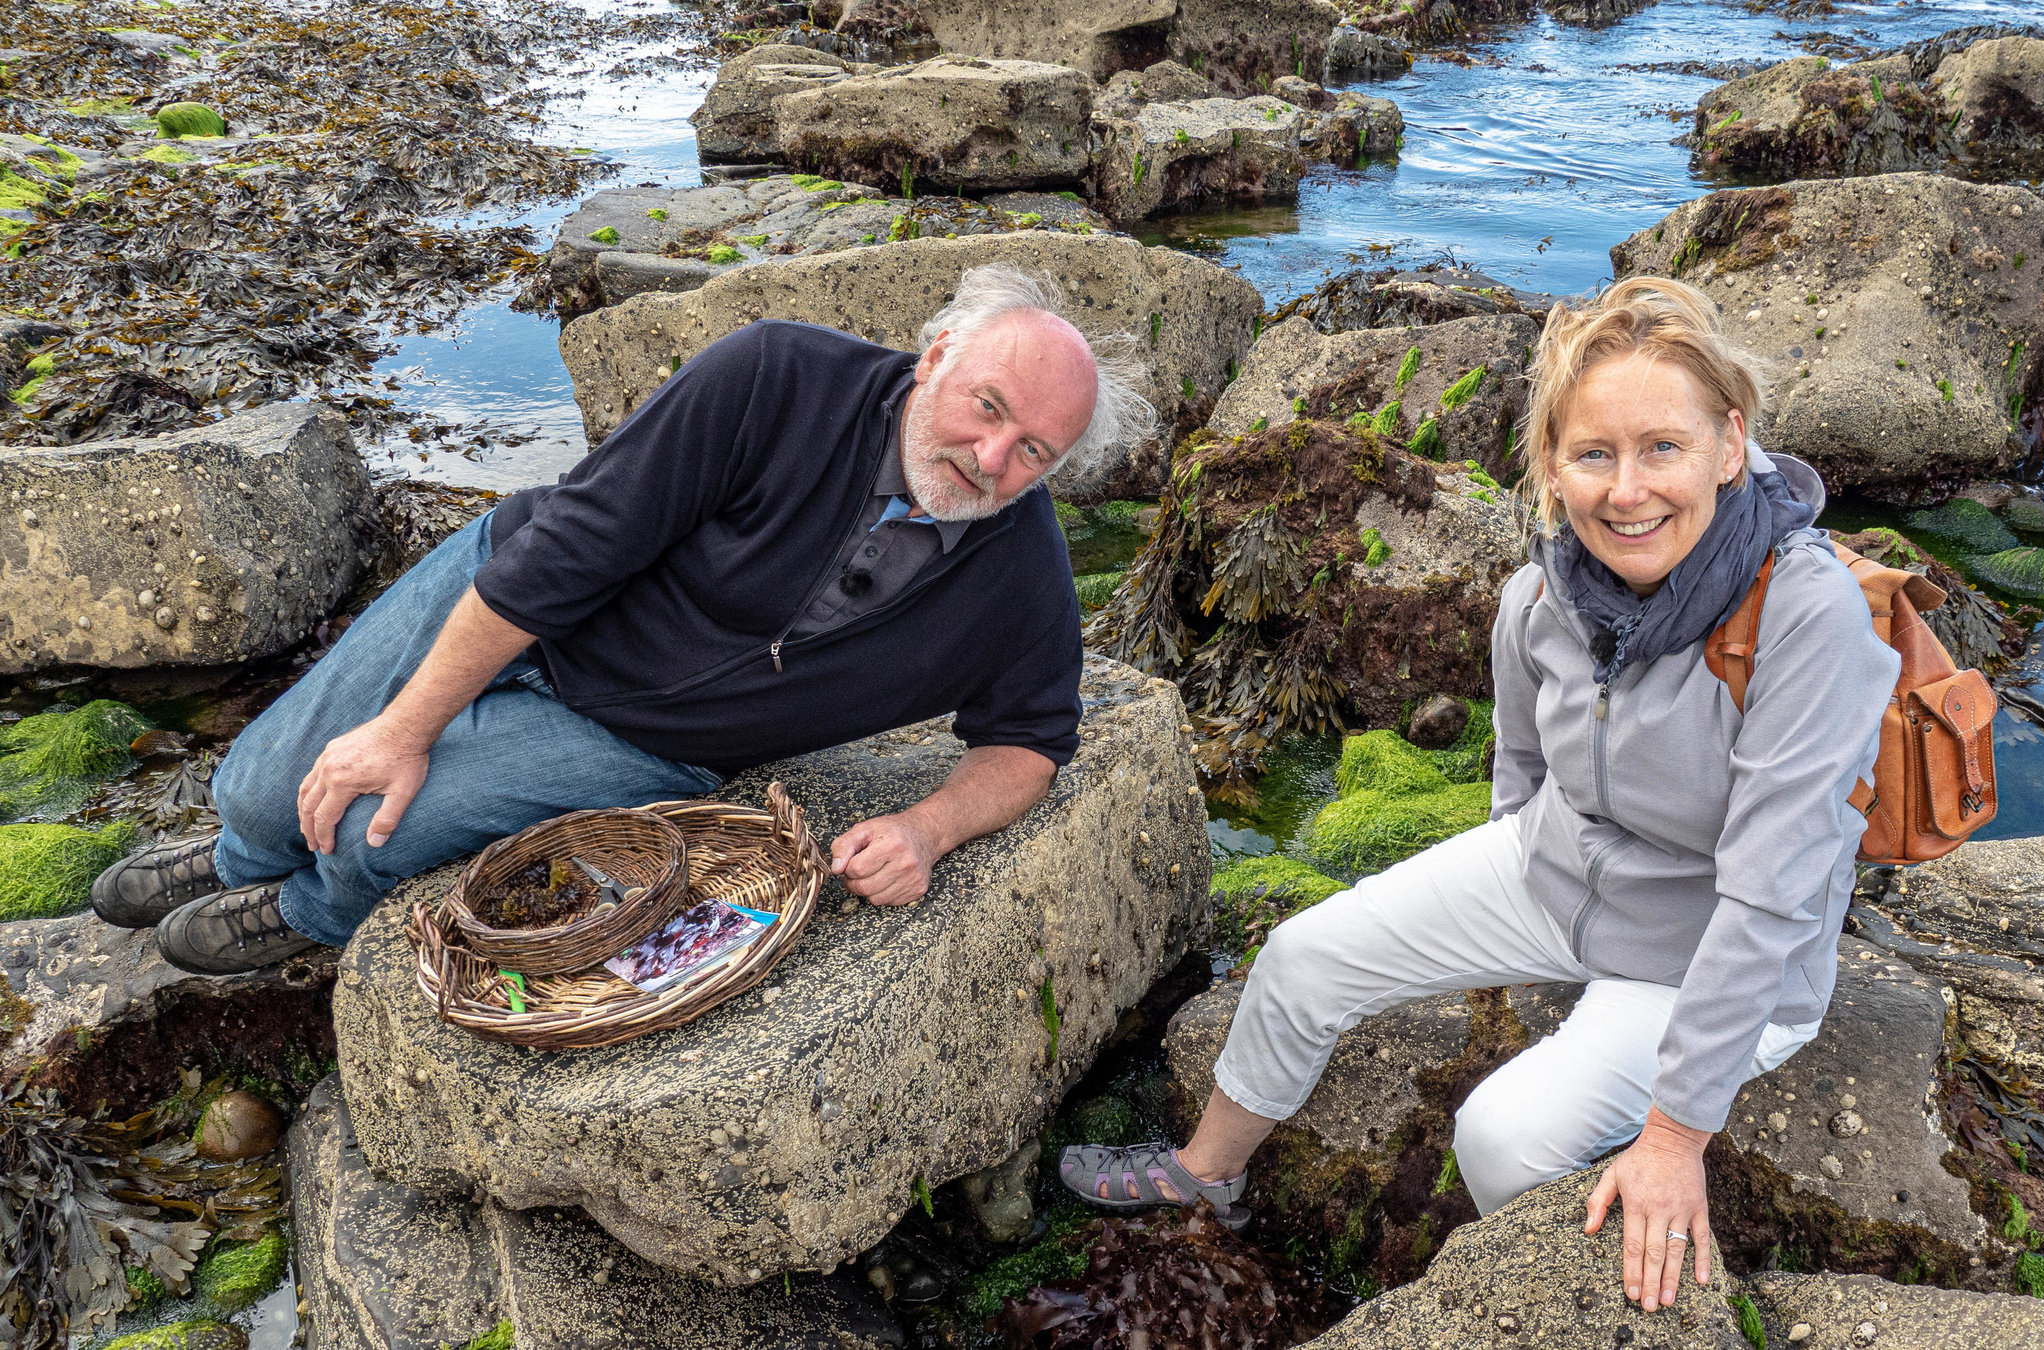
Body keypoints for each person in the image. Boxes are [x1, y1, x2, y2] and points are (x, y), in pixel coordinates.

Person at [1057, 276, 1897, 1314]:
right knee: (1300, 957)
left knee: (1500, 1137)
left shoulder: (1808, 616)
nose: (1627, 490)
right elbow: (1523, 765)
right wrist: (1513, 898)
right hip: (1558, 872)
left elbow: (1770, 893)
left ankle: (1572, 1312)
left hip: (1706, 948)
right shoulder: (1542, 590)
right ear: (1551, 464)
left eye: (1663, 448)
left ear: (1730, 445)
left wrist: (1677, 1134)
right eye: (1594, 454)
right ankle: (1207, 1170)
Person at [88, 264, 1153, 975]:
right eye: (987, 407)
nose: (993, 458)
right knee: (271, 786)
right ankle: (240, 852)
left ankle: (304, 914)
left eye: (1036, 452)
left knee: (376, 835)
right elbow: (567, 554)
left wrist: (928, 828)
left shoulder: (1022, 570)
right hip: (520, 595)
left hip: (642, 741)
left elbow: (1030, 742)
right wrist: (405, 728)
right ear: (936, 357)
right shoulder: (777, 374)